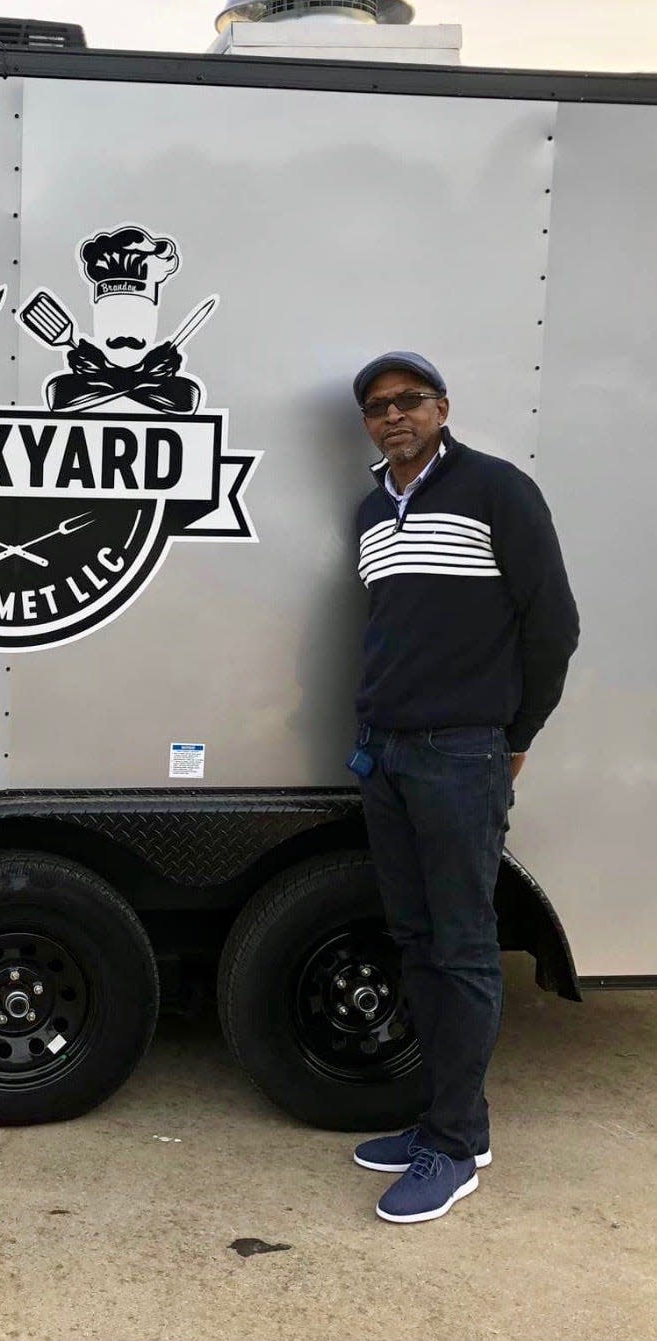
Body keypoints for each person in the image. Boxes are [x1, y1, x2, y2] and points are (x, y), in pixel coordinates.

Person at [346, 351, 578, 1224]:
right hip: (388, 754)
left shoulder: (497, 490)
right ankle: (455, 1124)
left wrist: (514, 738)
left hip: (460, 755)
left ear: (443, 407)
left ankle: (451, 1151)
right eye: (377, 406)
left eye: (410, 400)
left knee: (464, 949)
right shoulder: (374, 510)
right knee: (415, 939)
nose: (394, 415)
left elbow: (552, 623)